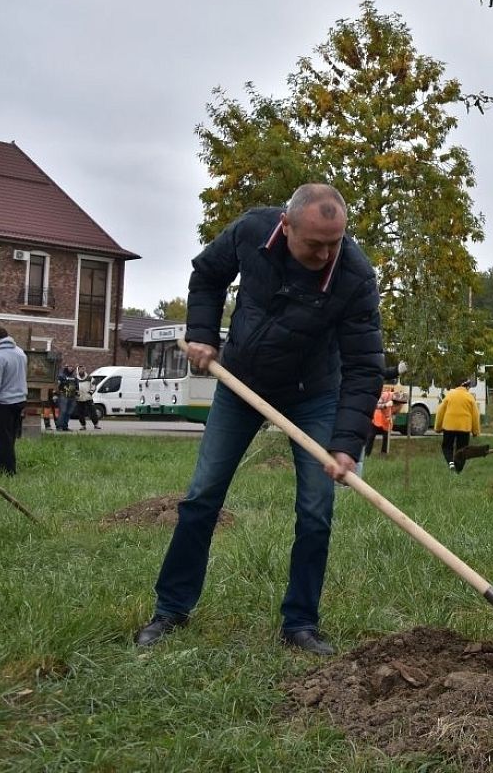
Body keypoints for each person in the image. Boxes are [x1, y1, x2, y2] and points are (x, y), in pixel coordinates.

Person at [134, 183, 385, 656]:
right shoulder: (252, 230)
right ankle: (170, 610)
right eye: (315, 243)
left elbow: (364, 366)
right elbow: (207, 275)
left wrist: (346, 442)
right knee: (203, 495)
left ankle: (301, 624)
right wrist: (204, 334)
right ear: (285, 226)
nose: (326, 253)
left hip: (315, 396)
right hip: (241, 384)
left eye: (335, 242)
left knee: (316, 510)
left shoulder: (354, 276)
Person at [0, 327, 28, 474]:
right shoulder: (20, 353)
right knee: (10, 435)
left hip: (3, 402)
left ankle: (8, 470)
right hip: (19, 400)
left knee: (1, 437)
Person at [435, 379, 481, 473]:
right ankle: (458, 470)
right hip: (464, 427)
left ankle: (451, 463)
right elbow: (475, 415)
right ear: (467, 387)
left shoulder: (450, 395)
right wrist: (475, 431)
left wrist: (438, 427)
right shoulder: (470, 397)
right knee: (462, 449)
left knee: (447, 447)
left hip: (449, 426)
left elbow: (440, 411)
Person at [54, 365, 79, 432]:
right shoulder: (61, 376)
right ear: (66, 367)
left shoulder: (74, 377)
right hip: (63, 396)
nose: (71, 368)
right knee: (63, 411)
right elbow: (57, 386)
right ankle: (59, 426)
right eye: (69, 367)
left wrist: (77, 395)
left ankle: (65, 426)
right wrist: (55, 394)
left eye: (72, 367)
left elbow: (77, 386)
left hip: (72, 397)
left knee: (69, 412)